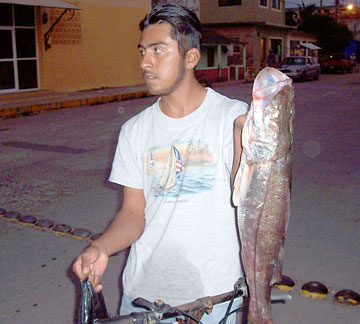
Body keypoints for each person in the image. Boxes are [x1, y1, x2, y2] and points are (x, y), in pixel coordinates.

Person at [72, 4, 248, 323]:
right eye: (142, 51)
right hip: (141, 299)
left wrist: (246, 141)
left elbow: (250, 202)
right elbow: (133, 213)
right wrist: (101, 247)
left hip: (212, 302)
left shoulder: (232, 118)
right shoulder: (134, 131)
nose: (144, 62)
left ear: (190, 57)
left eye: (158, 50)